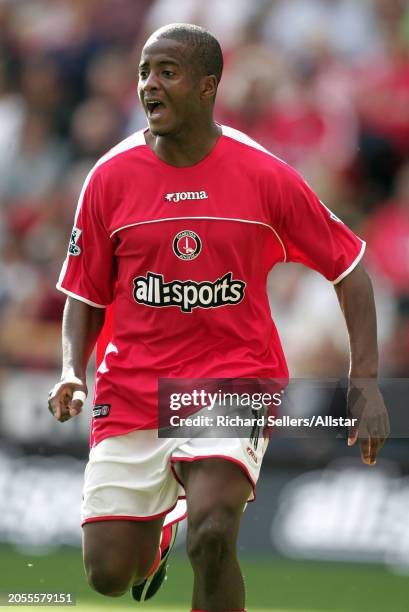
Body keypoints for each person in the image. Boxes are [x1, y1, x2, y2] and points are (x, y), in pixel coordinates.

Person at [48, 23, 390, 612]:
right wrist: (71, 370)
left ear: (208, 87)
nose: (149, 86)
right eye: (143, 73)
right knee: (107, 574)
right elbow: (84, 294)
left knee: (211, 534)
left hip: (235, 378)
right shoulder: (109, 177)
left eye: (167, 72)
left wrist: (366, 385)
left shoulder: (262, 175)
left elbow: (351, 269)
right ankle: (153, 536)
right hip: (133, 389)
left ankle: (189, 521)